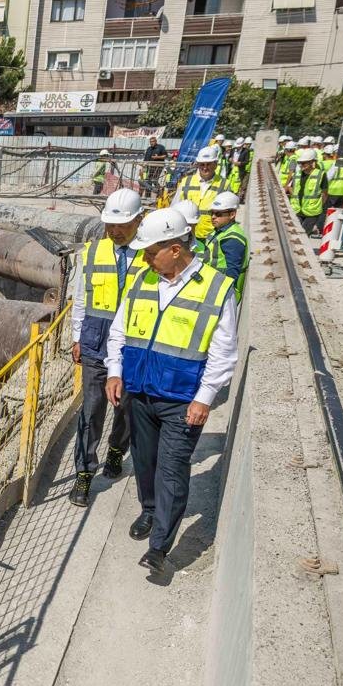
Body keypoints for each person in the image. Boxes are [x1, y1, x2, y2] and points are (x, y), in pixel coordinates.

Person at [105, 207, 240, 573]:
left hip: (182, 401)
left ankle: (159, 547)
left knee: (172, 469)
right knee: (145, 462)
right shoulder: (144, 281)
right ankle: (149, 510)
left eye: (151, 253)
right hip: (139, 393)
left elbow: (224, 352)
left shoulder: (216, 288)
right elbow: (119, 332)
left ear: (176, 249)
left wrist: (205, 397)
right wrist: (115, 372)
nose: (146, 260)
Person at [67, 188, 145, 507]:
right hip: (96, 343)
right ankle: (84, 474)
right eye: (110, 225)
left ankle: (116, 449)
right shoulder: (92, 252)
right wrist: (76, 336)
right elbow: (81, 297)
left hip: (133, 346)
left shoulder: (150, 254)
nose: (114, 231)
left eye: (121, 225)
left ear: (139, 220)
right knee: (91, 409)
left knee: (127, 407)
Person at [170, 144, 229, 238]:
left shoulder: (224, 184)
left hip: (210, 237)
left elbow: (227, 215)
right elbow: (174, 208)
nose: (205, 168)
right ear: (197, 164)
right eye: (202, 164)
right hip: (187, 235)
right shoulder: (186, 182)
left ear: (215, 164)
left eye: (208, 164)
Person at [204, 192, 249, 300]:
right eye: (212, 213)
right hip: (213, 285)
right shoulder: (221, 231)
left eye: (218, 214)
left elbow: (232, 271)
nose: (213, 217)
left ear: (232, 214)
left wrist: (225, 295)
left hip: (221, 291)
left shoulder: (232, 238)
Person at [287, 147, 326, 237]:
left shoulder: (320, 175)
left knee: (303, 236)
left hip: (312, 212)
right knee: (293, 233)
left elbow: (324, 193)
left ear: (312, 162)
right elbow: (290, 187)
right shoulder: (297, 174)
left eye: (304, 163)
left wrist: (318, 205)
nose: (301, 165)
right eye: (300, 163)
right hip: (297, 210)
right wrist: (294, 197)